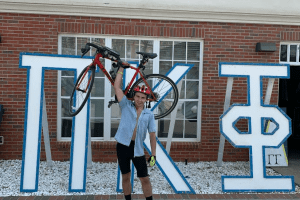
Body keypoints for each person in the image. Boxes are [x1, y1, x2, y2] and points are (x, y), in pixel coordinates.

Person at [113, 65, 157, 200]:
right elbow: (117, 87)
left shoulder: (149, 114)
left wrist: (153, 154)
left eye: (142, 98)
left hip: (137, 148)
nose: (139, 100)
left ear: (146, 99)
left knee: (144, 178)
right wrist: (121, 68)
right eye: (137, 96)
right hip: (122, 146)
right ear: (134, 96)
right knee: (125, 176)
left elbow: (152, 135)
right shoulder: (126, 105)